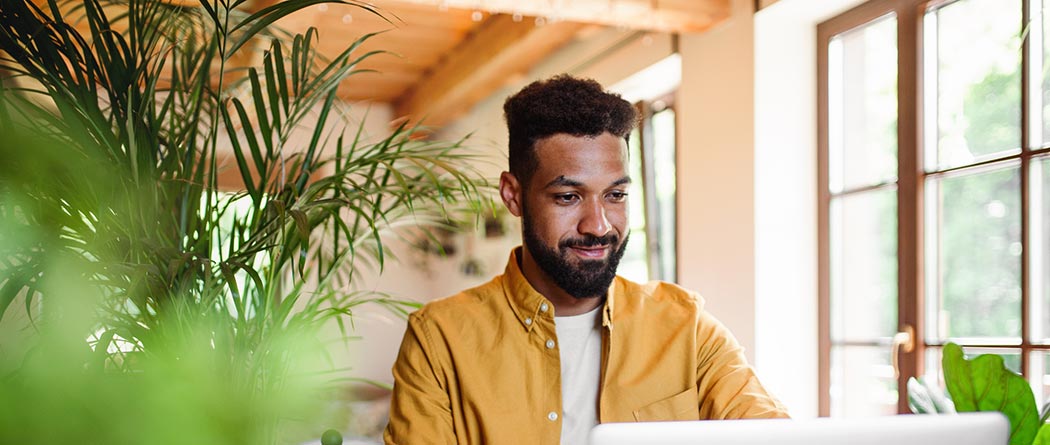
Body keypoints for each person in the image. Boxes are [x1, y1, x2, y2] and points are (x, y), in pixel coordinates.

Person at [383, 75, 787, 445]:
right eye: (568, 197)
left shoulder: (687, 327)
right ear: (513, 195)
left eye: (616, 195)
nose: (598, 226)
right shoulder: (438, 340)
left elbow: (772, 433)